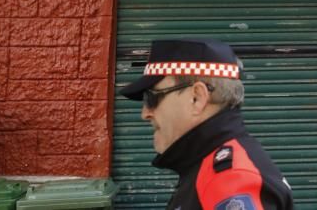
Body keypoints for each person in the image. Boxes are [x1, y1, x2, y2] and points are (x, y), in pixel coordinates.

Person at [119, 38, 294, 210]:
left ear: (197, 98)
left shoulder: (230, 181)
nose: (145, 113)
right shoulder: (206, 166)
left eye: (152, 98)